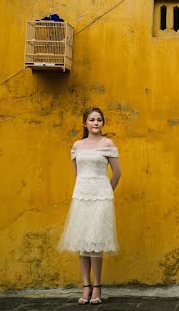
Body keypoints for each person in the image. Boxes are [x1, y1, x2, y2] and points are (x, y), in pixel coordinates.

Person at [58, 107, 122, 305]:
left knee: (95, 242)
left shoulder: (107, 144)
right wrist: (83, 190)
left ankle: (97, 287)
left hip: (101, 198)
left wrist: (107, 192)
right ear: (85, 123)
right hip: (82, 197)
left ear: (103, 123)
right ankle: (85, 287)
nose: (96, 123)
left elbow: (117, 173)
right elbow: (79, 173)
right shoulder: (77, 145)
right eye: (92, 119)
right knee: (83, 241)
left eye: (99, 120)